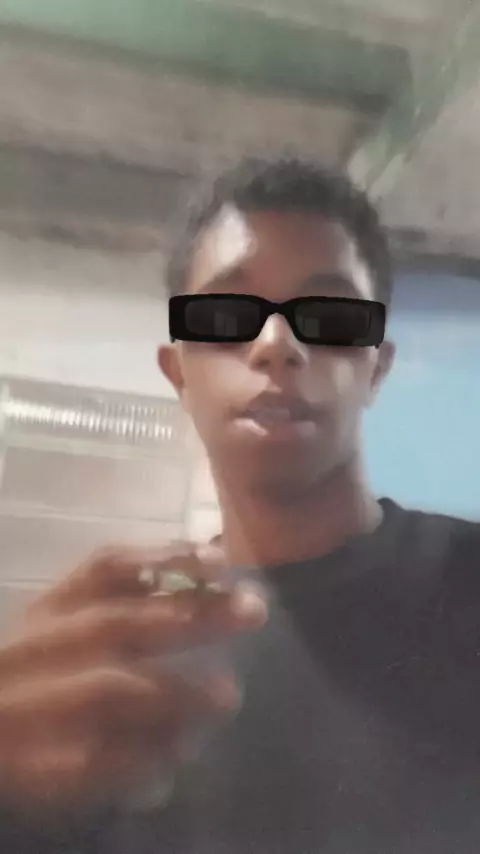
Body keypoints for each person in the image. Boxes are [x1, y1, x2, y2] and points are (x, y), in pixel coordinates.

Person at [1, 155, 479, 854]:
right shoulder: (123, 639)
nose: (276, 345)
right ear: (178, 372)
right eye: (226, 315)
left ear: (376, 368)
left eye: (330, 316)